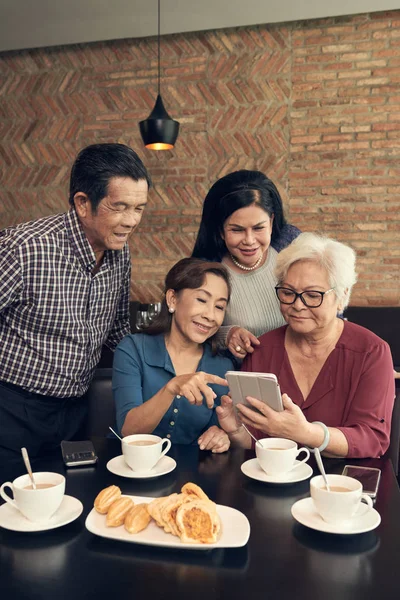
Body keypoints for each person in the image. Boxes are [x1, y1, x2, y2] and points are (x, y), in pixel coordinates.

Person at [0, 143, 151, 459]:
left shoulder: (120, 254)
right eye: (120, 206)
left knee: (70, 502)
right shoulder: (24, 249)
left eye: (138, 208)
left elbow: (119, 328)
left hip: (76, 413)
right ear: (83, 203)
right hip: (13, 410)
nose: (131, 221)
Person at [217, 233, 395, 459]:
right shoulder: (262, 350)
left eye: (313, 295)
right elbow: (254, 441)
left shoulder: (371, 352)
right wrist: (235, 431)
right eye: (288, 293)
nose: (297, 305)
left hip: (342, 484)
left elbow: (373, 439)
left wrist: (307, 433)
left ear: (342, 296)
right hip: (276, 481)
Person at [113, 258, 235, 453]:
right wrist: (171, 389)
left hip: (190, 475)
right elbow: (129, 432)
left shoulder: (222, 367)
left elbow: (218, 427)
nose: (210, 315)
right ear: (172, 299)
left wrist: (220, 434)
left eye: (219, 307)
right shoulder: (132, 349)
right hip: (130, 469)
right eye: (202, 300)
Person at [191, 170, 300, 359]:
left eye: (259, 228)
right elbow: (187, 329)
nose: (249, 241)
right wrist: (227, 334)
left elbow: (326, 305)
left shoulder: (292, 246)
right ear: (220, 230)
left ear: (272, 221)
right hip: (244, 380)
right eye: (237, 230)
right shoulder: (207, 268)